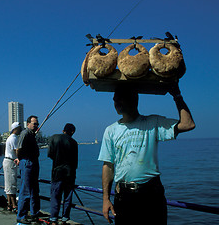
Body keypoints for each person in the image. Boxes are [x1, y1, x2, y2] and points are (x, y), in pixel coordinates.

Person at [99, 84, 195, 225]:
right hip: (124, 197)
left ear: (134, 99)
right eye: (114, 99)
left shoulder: (153, 122)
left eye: (120, 99)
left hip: (151, 194)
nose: (116, 103)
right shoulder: (110, 131)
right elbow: (108, 166)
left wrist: (177, 96)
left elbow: (188, 124)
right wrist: (106, 199)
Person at [48, 123, 78, 225]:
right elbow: (75, 162)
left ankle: (53, 219)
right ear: (72, 132)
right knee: (67, 197)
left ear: (63, 130)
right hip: (70, 174)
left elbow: (50, 154)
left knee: (55, 196)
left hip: (57, 173)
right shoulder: (74, 143)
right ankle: (65, 219)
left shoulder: (54, 138)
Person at [16, 115, 41, 224]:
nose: (36, 125)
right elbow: (18, 148)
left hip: (33, 163)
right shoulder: (24, 133)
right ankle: (21, 215)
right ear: (28, 124)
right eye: (34, 123)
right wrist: (20, 159)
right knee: (25, 190)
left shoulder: (32, 135)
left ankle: (34, 213)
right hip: (27, 162)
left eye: (37, 123)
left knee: (34, 190)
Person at [3, 122, 22, 212]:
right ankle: (14, 205)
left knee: (8, 184)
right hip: (11, 162)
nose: (21, 129)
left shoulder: (10, 137)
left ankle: (9, 204)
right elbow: (16, 150)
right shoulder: (14, 138)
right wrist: (20, 158)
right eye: (19, 128)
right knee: (12, 184)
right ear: (16, 128)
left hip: (8, 161)